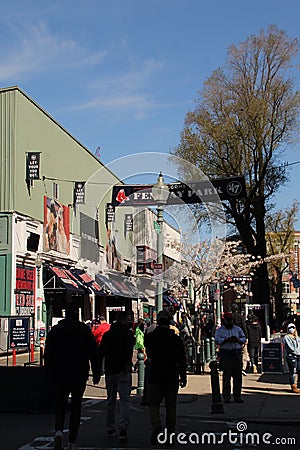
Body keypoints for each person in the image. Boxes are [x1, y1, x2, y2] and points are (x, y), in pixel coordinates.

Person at [44, 303, 100, 450]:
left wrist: (47, 371)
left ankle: (58, 431)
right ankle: (72, 441)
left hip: (59, 373)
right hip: (79, 373)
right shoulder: (83, 330)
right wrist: (96, 372)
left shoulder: (56, 330)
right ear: (77, 314)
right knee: (76, 407)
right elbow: (93, 353)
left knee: (60, 404)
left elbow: (48, 353)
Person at [145, 310, 187, 445]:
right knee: (171, 407)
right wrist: (183, 376)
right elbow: (182, 359)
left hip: (156, 374)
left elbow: (149, 352)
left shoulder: (151, 337)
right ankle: (170, 433)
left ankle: (156, 424)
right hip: (172, 375)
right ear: (169, 322)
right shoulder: (175, 339)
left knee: (153, 404)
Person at [98, 311, 135, 443]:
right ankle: (123, 427)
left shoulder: (108, 335)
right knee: (125, 401)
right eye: (129, 319)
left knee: (110, 400)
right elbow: (129, 350)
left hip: (110, 370)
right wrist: (127, 364)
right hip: (123, 370)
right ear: (124, 321)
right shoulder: (128, 334)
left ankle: (110, 427)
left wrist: (97, 371)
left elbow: (100, 353)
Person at [215, 312, 246, 403]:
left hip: (236, 353)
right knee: (226, 377)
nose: (229, 322)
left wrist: (238, 340)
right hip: (226, 354)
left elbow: (243, 338)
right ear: (224, 320)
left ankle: (237, 396)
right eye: (227, 320)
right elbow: (217, 340)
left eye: (230, 320)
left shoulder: (237, 329)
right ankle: (226, 397)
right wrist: (225, 340)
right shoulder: (220, 330)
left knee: (237, 377)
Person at [231, 303, 248, 376]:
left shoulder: (229, 317)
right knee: (244, 353)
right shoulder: (241, 317)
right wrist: (246, 337)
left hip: (231, 338)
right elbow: (244, 327)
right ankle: (242, 368)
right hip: (240, 337)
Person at [283, 323, 300, 393]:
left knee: (299, 370)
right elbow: (290, 348)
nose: (292, 329)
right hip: (291, 356)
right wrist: (296, 352)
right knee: (293, 371)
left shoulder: (297, 337)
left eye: (293, 327)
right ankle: (293, 386)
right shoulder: (286, 337)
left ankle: (298, 384)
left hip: (298, 356)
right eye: (290, 327)